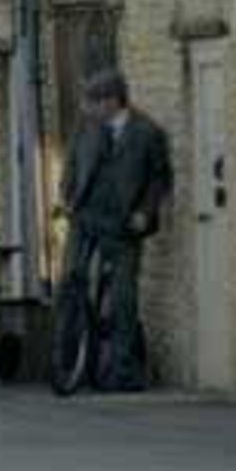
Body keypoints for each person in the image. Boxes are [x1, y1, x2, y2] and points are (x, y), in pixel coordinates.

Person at [54, 68, 173, 392]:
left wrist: (145, 213)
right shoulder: (86, 127)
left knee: (123, 297)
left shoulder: (148, 133)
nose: (86, 109)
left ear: (112, 102)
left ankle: (123, 371)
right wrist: (65, 195)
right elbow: (72, 164)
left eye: (92, 103)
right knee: (69, 282)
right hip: (85, 216)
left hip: (122, 224)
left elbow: (160, 179)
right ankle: (65, 361)